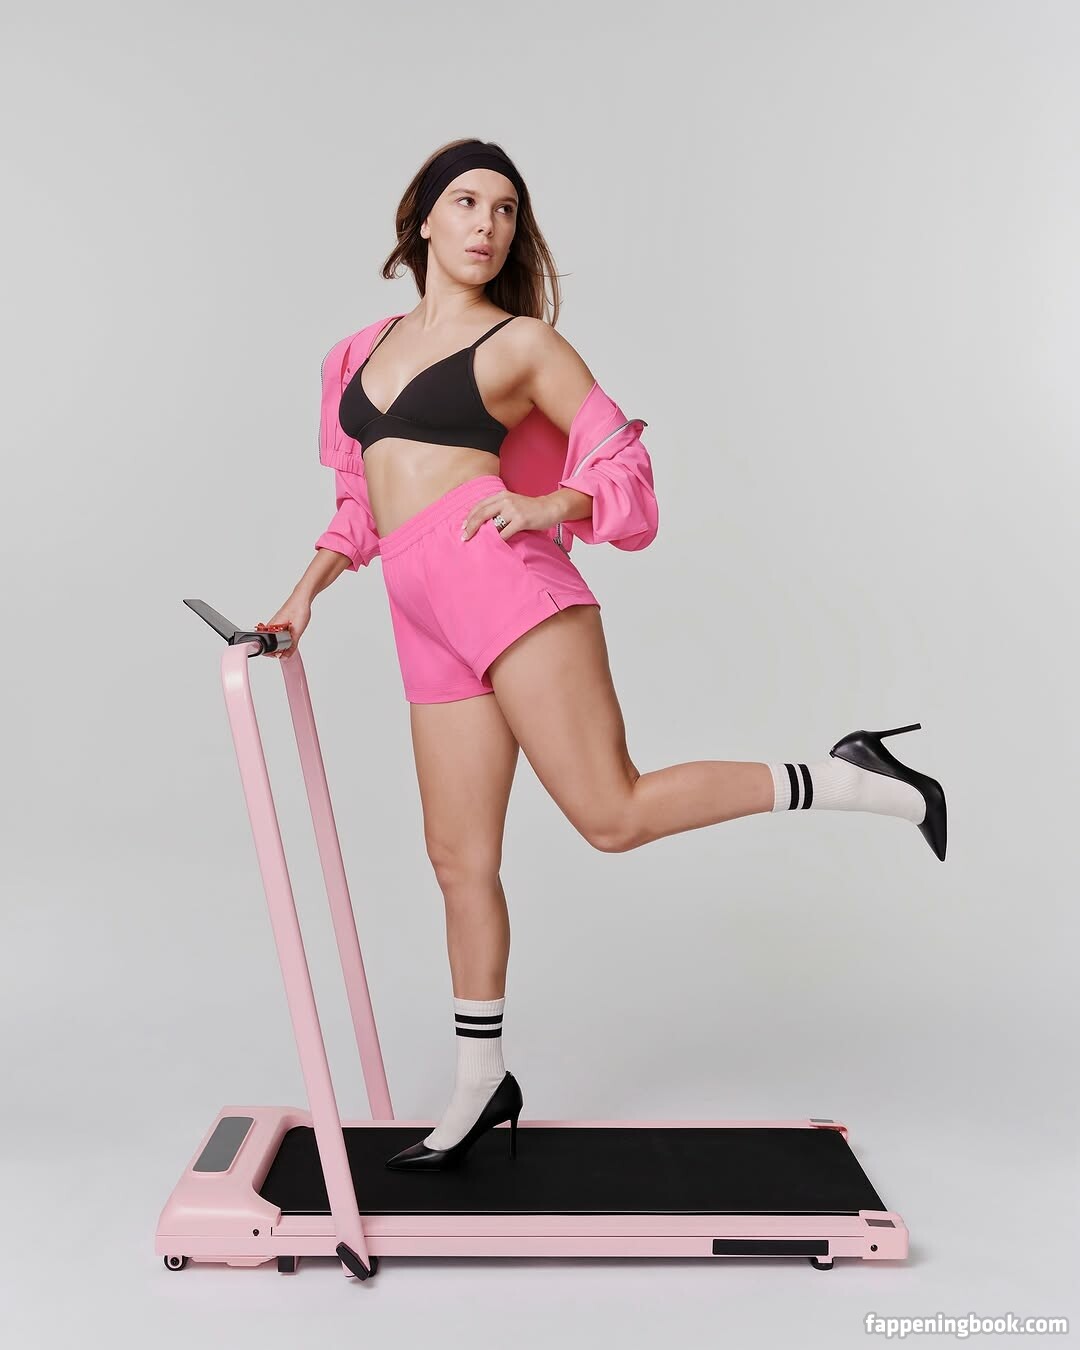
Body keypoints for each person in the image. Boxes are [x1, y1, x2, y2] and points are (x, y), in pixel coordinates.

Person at [262, 137, 948, 1173]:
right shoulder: (352, 356)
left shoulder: (523, 346)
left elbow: (625, 468)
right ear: (423, 219)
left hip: (508, 590)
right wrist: (302, 596)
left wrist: (552, 504)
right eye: (466, 202)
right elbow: (360, 501)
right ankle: (480, 1083)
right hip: (421, 615)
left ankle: (854, 776)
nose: (487, 224)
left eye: (505, 209)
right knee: (458, 860)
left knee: (611, 815)